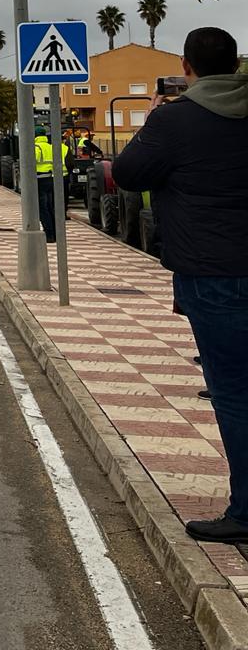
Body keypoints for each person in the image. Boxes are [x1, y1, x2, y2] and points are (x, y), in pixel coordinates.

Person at [114, 27, 248, 543]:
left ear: (187, 68)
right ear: (235, 65)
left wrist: (155, 115)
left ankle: (247, 512)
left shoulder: (176, 118)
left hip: (215, 271)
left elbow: (128, 173)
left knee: (234, 393)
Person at [33, 124, 56, 243]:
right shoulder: (50, 147)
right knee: (50, 206)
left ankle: (49, 234)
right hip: (50, 178)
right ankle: (55, 233)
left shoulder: (36, 147)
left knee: (43, 208)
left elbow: (33, 161)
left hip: (39, 178)